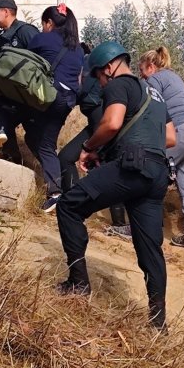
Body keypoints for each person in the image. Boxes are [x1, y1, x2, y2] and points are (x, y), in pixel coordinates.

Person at [56, 41, 176, 330]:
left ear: (109, 67)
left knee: (68, 206)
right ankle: (158, 322)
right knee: (150, 248)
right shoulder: (155, 93)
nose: (100, 81)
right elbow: (171, 138)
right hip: (157, 174)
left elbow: (111, 123)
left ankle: (78, 284)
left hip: (131, 168)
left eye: (99, 74)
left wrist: (89, 147)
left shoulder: (119, 84)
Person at [57, 44, 133, 237]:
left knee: (107, 165)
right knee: (66, 157)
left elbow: (80, 92)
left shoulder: (85, 65)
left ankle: (120, 223)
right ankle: (73, 204)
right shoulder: (87, 66)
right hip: (94, 123)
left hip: (101, 119)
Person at [140, 47, 184, 250]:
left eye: (141, 70)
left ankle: (141, 226)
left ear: (151, 66)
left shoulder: (154, 79)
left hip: (180, 131)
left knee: (149, 172)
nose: (141, 76)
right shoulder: (174, 77)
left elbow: (151, 110)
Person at [24, 4, 82, 210]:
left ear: (49, 23)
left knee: (43, 143)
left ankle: (55, 192)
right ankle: (57, 185)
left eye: (43, 24)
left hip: (50, 96)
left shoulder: (43, 38)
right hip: (68, 101)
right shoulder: (77, 48)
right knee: (39, 140)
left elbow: (23, 62)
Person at [0, 0, 39, 163]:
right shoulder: (1, 37)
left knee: (35, 138)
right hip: (10, 92)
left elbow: (42, 58)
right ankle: (12, 158)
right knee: (4, 118)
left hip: (27, 93)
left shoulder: (26, 31)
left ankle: (56, 171)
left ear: (6, 12)